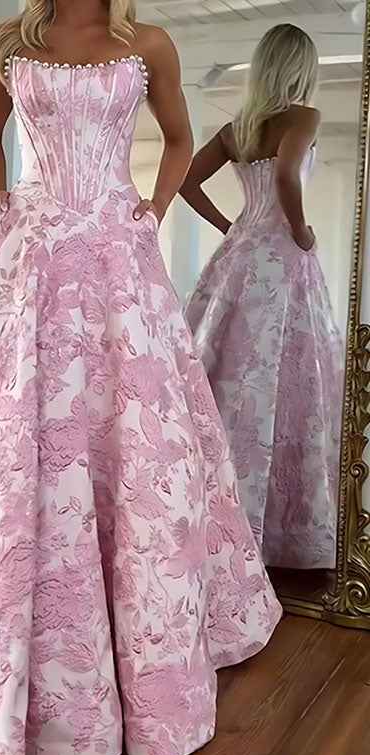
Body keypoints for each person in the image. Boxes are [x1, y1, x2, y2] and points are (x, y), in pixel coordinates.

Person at [0, 0, 281, 755]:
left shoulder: (148, 43)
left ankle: (141, 655)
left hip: (118, 249)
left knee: (137, 437)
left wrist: (152, 210)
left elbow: (179, 139)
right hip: (32, 247)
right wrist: (1, 200)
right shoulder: (8, 42)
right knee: (12, 435)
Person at [182, 24, 342, 571]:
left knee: (228, 383)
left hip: (238, 257)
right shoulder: (304, 117)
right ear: (302, 68)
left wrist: (231, 226)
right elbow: (288, 176)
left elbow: (185, 181)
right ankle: (280, 535)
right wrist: (300, 230)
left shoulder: (239, 128)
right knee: (291, 385)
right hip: (281, 259)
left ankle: (214, 521)